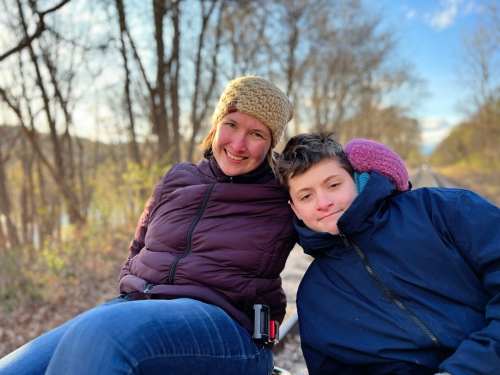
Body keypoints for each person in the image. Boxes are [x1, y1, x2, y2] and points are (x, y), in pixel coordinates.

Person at [0, 75, 407, 375]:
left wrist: (386, 183)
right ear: (216, 124)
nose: (238, 143)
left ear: (271, 143)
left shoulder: (280, 192)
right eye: (231, 124)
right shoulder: (178, 177)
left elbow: (339, 217)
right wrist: (135, 289)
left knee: (103, 333)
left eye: (256, 134)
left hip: (226, 327)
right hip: (135, 310)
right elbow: (138, 245)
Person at [276, 133, 500, 375]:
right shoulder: (315, 296)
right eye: (306, 196)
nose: (323, 202)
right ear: (294, 209)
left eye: (333, 185)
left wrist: (472, 366)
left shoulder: (439, 209)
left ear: (355, 180)